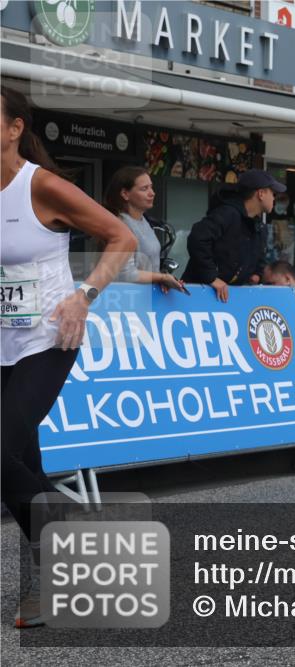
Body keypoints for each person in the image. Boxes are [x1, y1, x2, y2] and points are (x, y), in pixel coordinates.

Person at [1, 86, 136, 627]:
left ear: (14, 129)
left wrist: (85, 295)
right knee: (21, 468)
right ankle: (44, 586)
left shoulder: (43, 186)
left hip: (48, 342)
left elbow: (120, 236)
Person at [181, 169, 286, 302]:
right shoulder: (227, 214)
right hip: (196, 294)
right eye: (273, 193)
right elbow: (197, 238)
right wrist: (212, 277)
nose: (274, 198)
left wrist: (256, 274)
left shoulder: (259, 227)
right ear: (261, 194)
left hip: (227, 299)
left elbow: (258, 258)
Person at [103, 166, 186, 294]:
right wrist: (162, 277)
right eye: (144, 189)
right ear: (125, 194)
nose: (152, 193)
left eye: (151, 187)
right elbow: (126, 274)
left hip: (147, 298)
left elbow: (148, 267)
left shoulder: (143, 221)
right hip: (126, 299)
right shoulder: (121, 224)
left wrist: (164, 279)